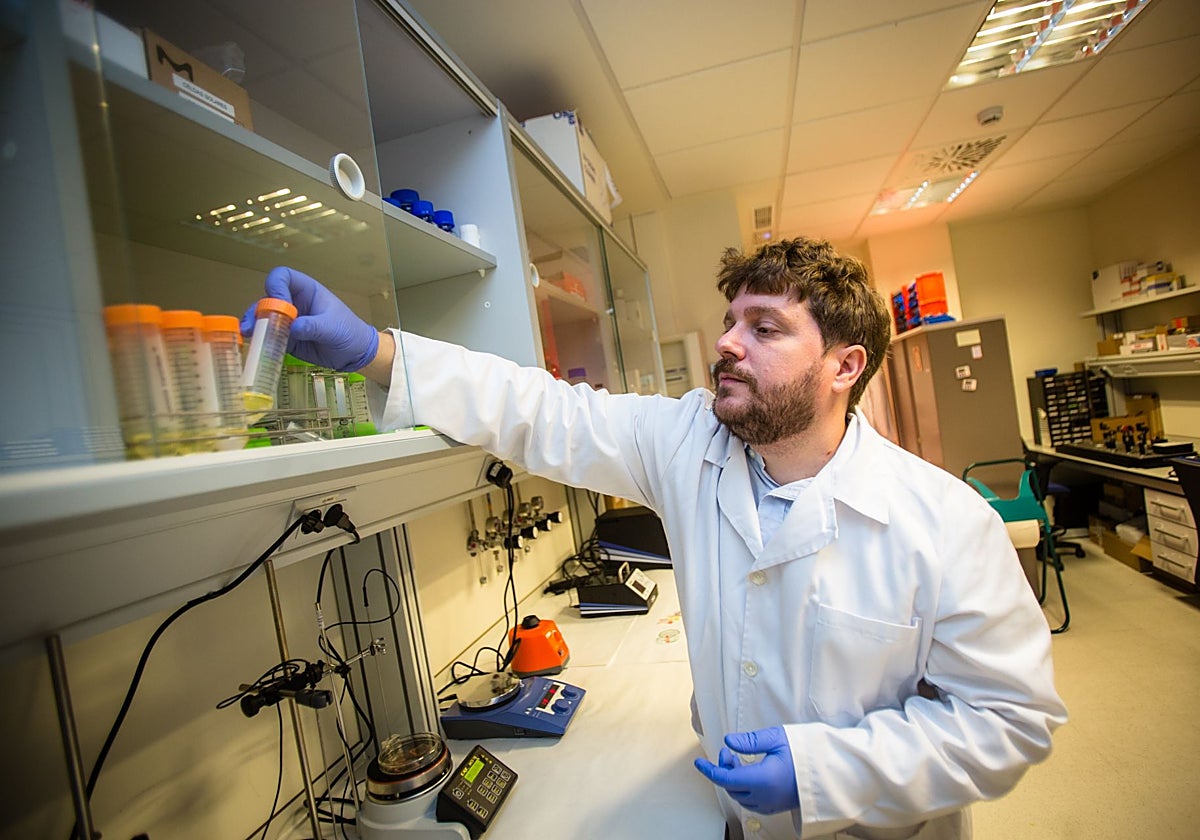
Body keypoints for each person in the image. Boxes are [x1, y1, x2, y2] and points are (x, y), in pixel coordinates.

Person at [246, 237, 1067, 840]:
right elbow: (542, 412)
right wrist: (380, 353)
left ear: (845, 367)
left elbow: (1009, 721)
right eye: (730, 321)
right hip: (726, 816)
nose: (727, 344)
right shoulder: (687, 443)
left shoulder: (944, 520)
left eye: (765, 328)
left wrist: (827, 771)